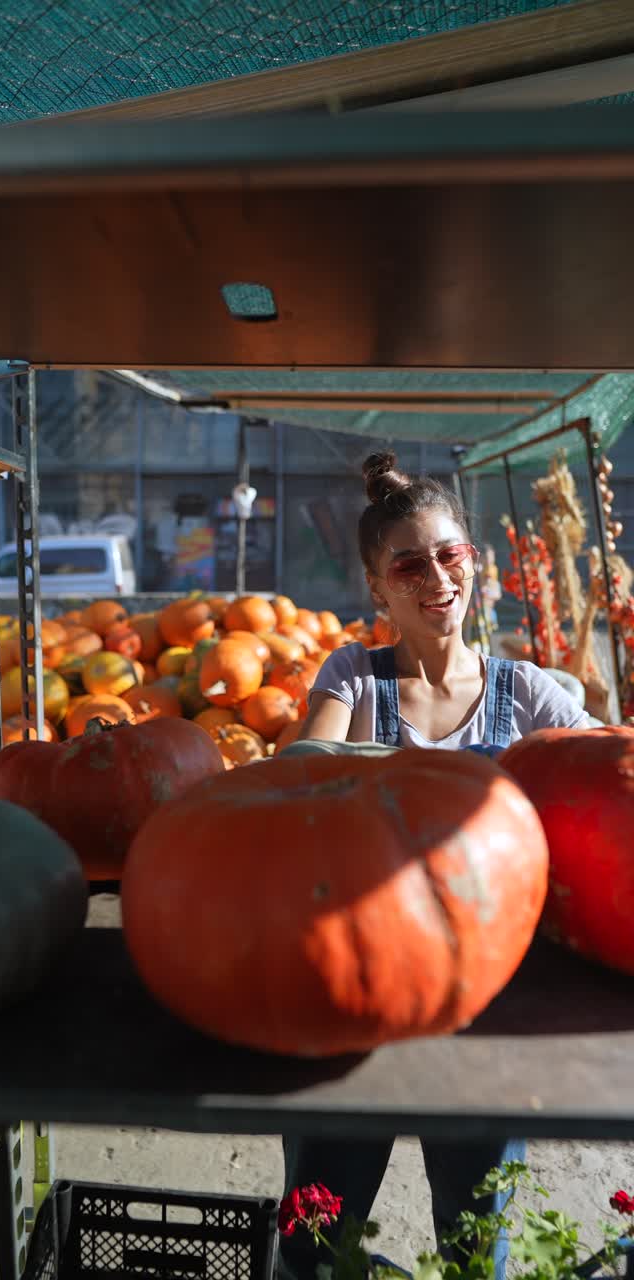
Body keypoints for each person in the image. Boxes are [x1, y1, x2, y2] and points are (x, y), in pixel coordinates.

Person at [278, 453, 587, 1280]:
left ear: (472, 563)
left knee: (474, 1233)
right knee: (314, 1226)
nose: (436, 578)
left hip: (485, 999)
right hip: (356, 989)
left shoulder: (528, 694)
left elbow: (604, 766)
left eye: (450, 555)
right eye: (408, 565)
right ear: (378, 590)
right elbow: (298, 764)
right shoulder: (355, 677)